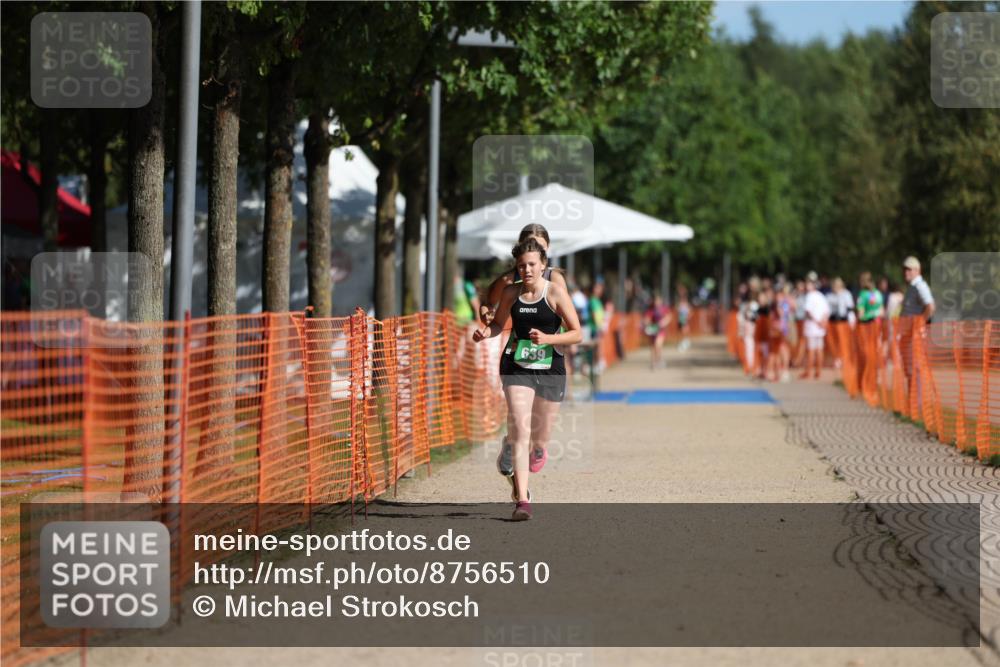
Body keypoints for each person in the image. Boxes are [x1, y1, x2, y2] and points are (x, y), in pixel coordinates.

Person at [472, 238, 582, 521]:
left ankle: (520, 452)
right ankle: (522, 500)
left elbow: (577, 333)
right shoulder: (510, 293)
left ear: (543, 265)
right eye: (521, 266)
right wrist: (486, 332)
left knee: (539, 437)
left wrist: (548, 338)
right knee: (521, 429)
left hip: (550, 368)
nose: (527, 270)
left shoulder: (555, 292)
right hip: (516, 364)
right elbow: (498, 324)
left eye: (532, 264)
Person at [898, 256, 935, 390]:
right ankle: (912, 405)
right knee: (909, 369)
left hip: (915, 335)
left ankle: (916, 406)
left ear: (917, 270)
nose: (906, 272)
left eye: (909, 269)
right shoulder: (913, 286)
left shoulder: (920, 286)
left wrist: (920, 323)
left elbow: (930, 307)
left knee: (914, 370)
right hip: (908, 334)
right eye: (904, 269)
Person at [855, 271, 884, 405]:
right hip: (878, 327)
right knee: (876, 355)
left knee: (865, 356)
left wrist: (867, 314)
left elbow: (860, 315)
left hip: (866, 329)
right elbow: (882, 311)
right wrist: (875, 313)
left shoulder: (862, 295)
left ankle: (865, 385)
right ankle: (874, 383)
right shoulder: (878, 294)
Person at [800, 275, 830, 379]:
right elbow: (826, 311)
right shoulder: (821, 296)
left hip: (812, 326)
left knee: (812, 350)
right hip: (820, 327)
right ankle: (818, 371)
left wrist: (817, 322)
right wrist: (822, 322)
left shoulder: (810, 296)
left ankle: (809, 371)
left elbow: (808, 312)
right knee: (819, 349)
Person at [643, 293, 672, 370]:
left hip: (661, 331)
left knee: (657, 345)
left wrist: (663, 322)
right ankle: (653, 362)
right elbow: (646, 319)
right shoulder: (650, 310)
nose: (657, 303)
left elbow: (668, 317)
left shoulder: (664, 309)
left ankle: (659, 360)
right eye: (655, 301)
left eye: (658, 301)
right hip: (652, 330)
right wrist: (647, 323)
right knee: (652, 347)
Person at [676, 285, 692, 352]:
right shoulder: (680, 303)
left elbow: (690, 312)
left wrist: (688, 317)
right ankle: (684, 342)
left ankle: (685, 342)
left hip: (684, 319)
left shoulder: (686, 304)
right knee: (682, 331)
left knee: (684, 330)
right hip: (681, 318)